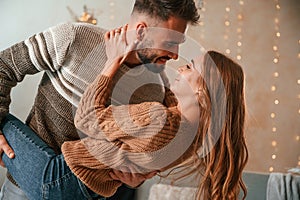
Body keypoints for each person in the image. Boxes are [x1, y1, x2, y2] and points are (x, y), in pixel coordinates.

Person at [1, 24, 248, 200]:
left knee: (3, 124)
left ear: (202, 94)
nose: (179, 64)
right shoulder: (190, 137)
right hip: (90, 190)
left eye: (191, 67)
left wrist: (112, 63)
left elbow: (86, 120)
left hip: (57, 177)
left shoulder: (158, 117)